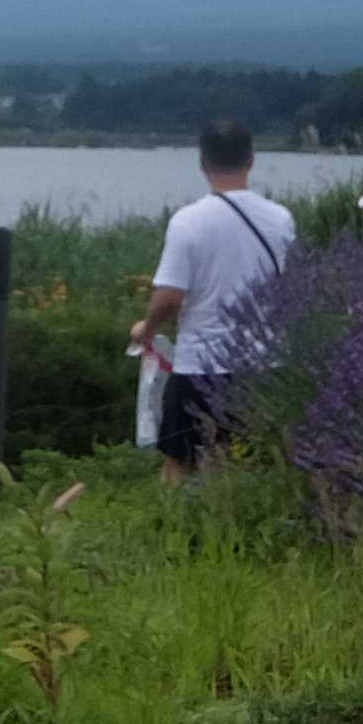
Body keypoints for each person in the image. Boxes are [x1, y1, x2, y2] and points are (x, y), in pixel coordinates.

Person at [126, 117, 297, 481]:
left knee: (179, 463)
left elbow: (170, 298)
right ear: (251, 160)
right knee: (253, 464)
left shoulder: (188, 222)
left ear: (202, 163)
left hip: (200, 366)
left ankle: (175, 531)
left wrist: (147, 329)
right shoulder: (281, 220)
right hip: (266, 365)